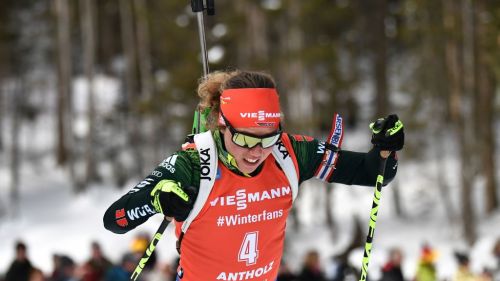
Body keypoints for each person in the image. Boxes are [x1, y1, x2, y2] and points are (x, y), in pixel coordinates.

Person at [103, 70, 404, 281]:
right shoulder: (192, 164)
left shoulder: (291, 154)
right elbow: (115, 219)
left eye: (267, 138)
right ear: (223, 125)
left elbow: (373, 173)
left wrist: (385, 151)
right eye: (245, 139)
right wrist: (158, 199)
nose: (256, 152)